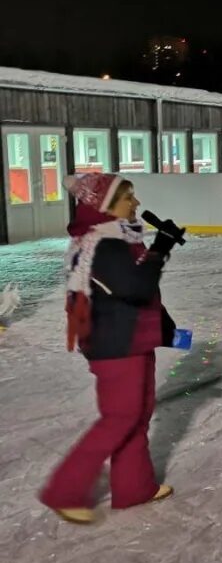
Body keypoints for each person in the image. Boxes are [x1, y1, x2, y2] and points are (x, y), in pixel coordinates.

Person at [39, 173, 179, 525]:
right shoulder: (104, 244)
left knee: (138, 414)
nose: (136, 203)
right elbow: (136, 287)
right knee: (120, 418)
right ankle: (64, 490)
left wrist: (165, 326)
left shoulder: (116, 240)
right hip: (117, 346)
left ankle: (134, 486)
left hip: (130, 339)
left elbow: (136, 293)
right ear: (105, 206)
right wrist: (161, 247)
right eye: (128, 197)